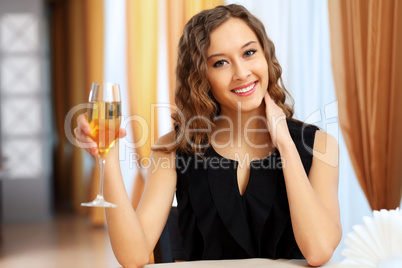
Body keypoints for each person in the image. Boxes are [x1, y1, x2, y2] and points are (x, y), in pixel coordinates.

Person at [75, 4, 341, 268]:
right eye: (221, 62)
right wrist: (106, 155)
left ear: (266, 57)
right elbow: (133, 256)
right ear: (201, 76)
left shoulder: (319, 145)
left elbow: (318, 251)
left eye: (249, 52)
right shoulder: (173, 149)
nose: (241, 72)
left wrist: (285, 143)